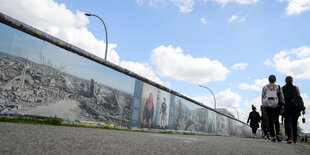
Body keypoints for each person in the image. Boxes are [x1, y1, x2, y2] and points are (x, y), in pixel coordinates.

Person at [282, 76, 306, 144]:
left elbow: (281, 99)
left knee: (287, 122)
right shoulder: (296, 88)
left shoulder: (282, 88)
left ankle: (289, 137)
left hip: (286, 108)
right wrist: (303, 108)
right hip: (296, 109)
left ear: (285, 81)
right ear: (292, 81)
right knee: (294, 124)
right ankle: (295, 139)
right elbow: (299, 99)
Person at [262, 75, 285, 142]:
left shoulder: (265, 87)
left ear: (268, 80)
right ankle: (277, 135)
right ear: (275, 80)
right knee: (276, 120)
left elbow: (263, 97)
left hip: (268, 106)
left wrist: (263, 106)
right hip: (276, 105)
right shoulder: (278, 87)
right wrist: (282, 107)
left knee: (270, 121)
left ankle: (273, 136)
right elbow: (281, 97)